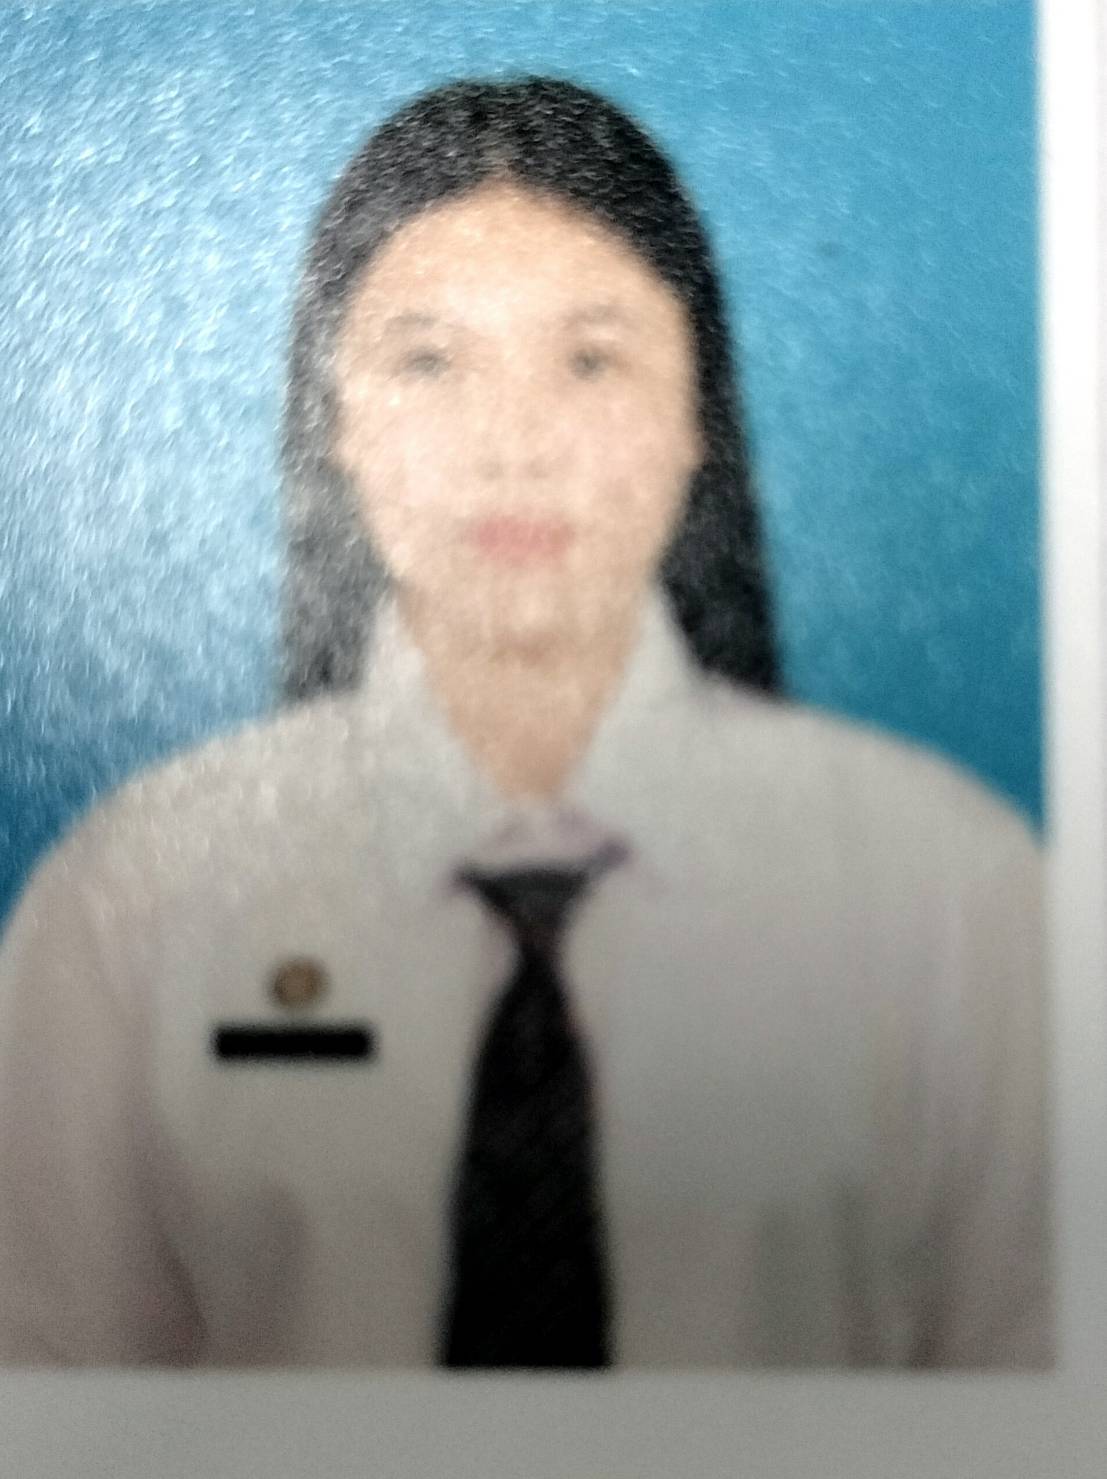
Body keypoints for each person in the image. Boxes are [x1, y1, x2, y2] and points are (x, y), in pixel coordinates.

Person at [0, 77, 1050, 1369]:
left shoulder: (952, 891)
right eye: (429, 362)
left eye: (591, 360)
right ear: (335, 425)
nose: (514, 445)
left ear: (696, 419)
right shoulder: (133, 897)